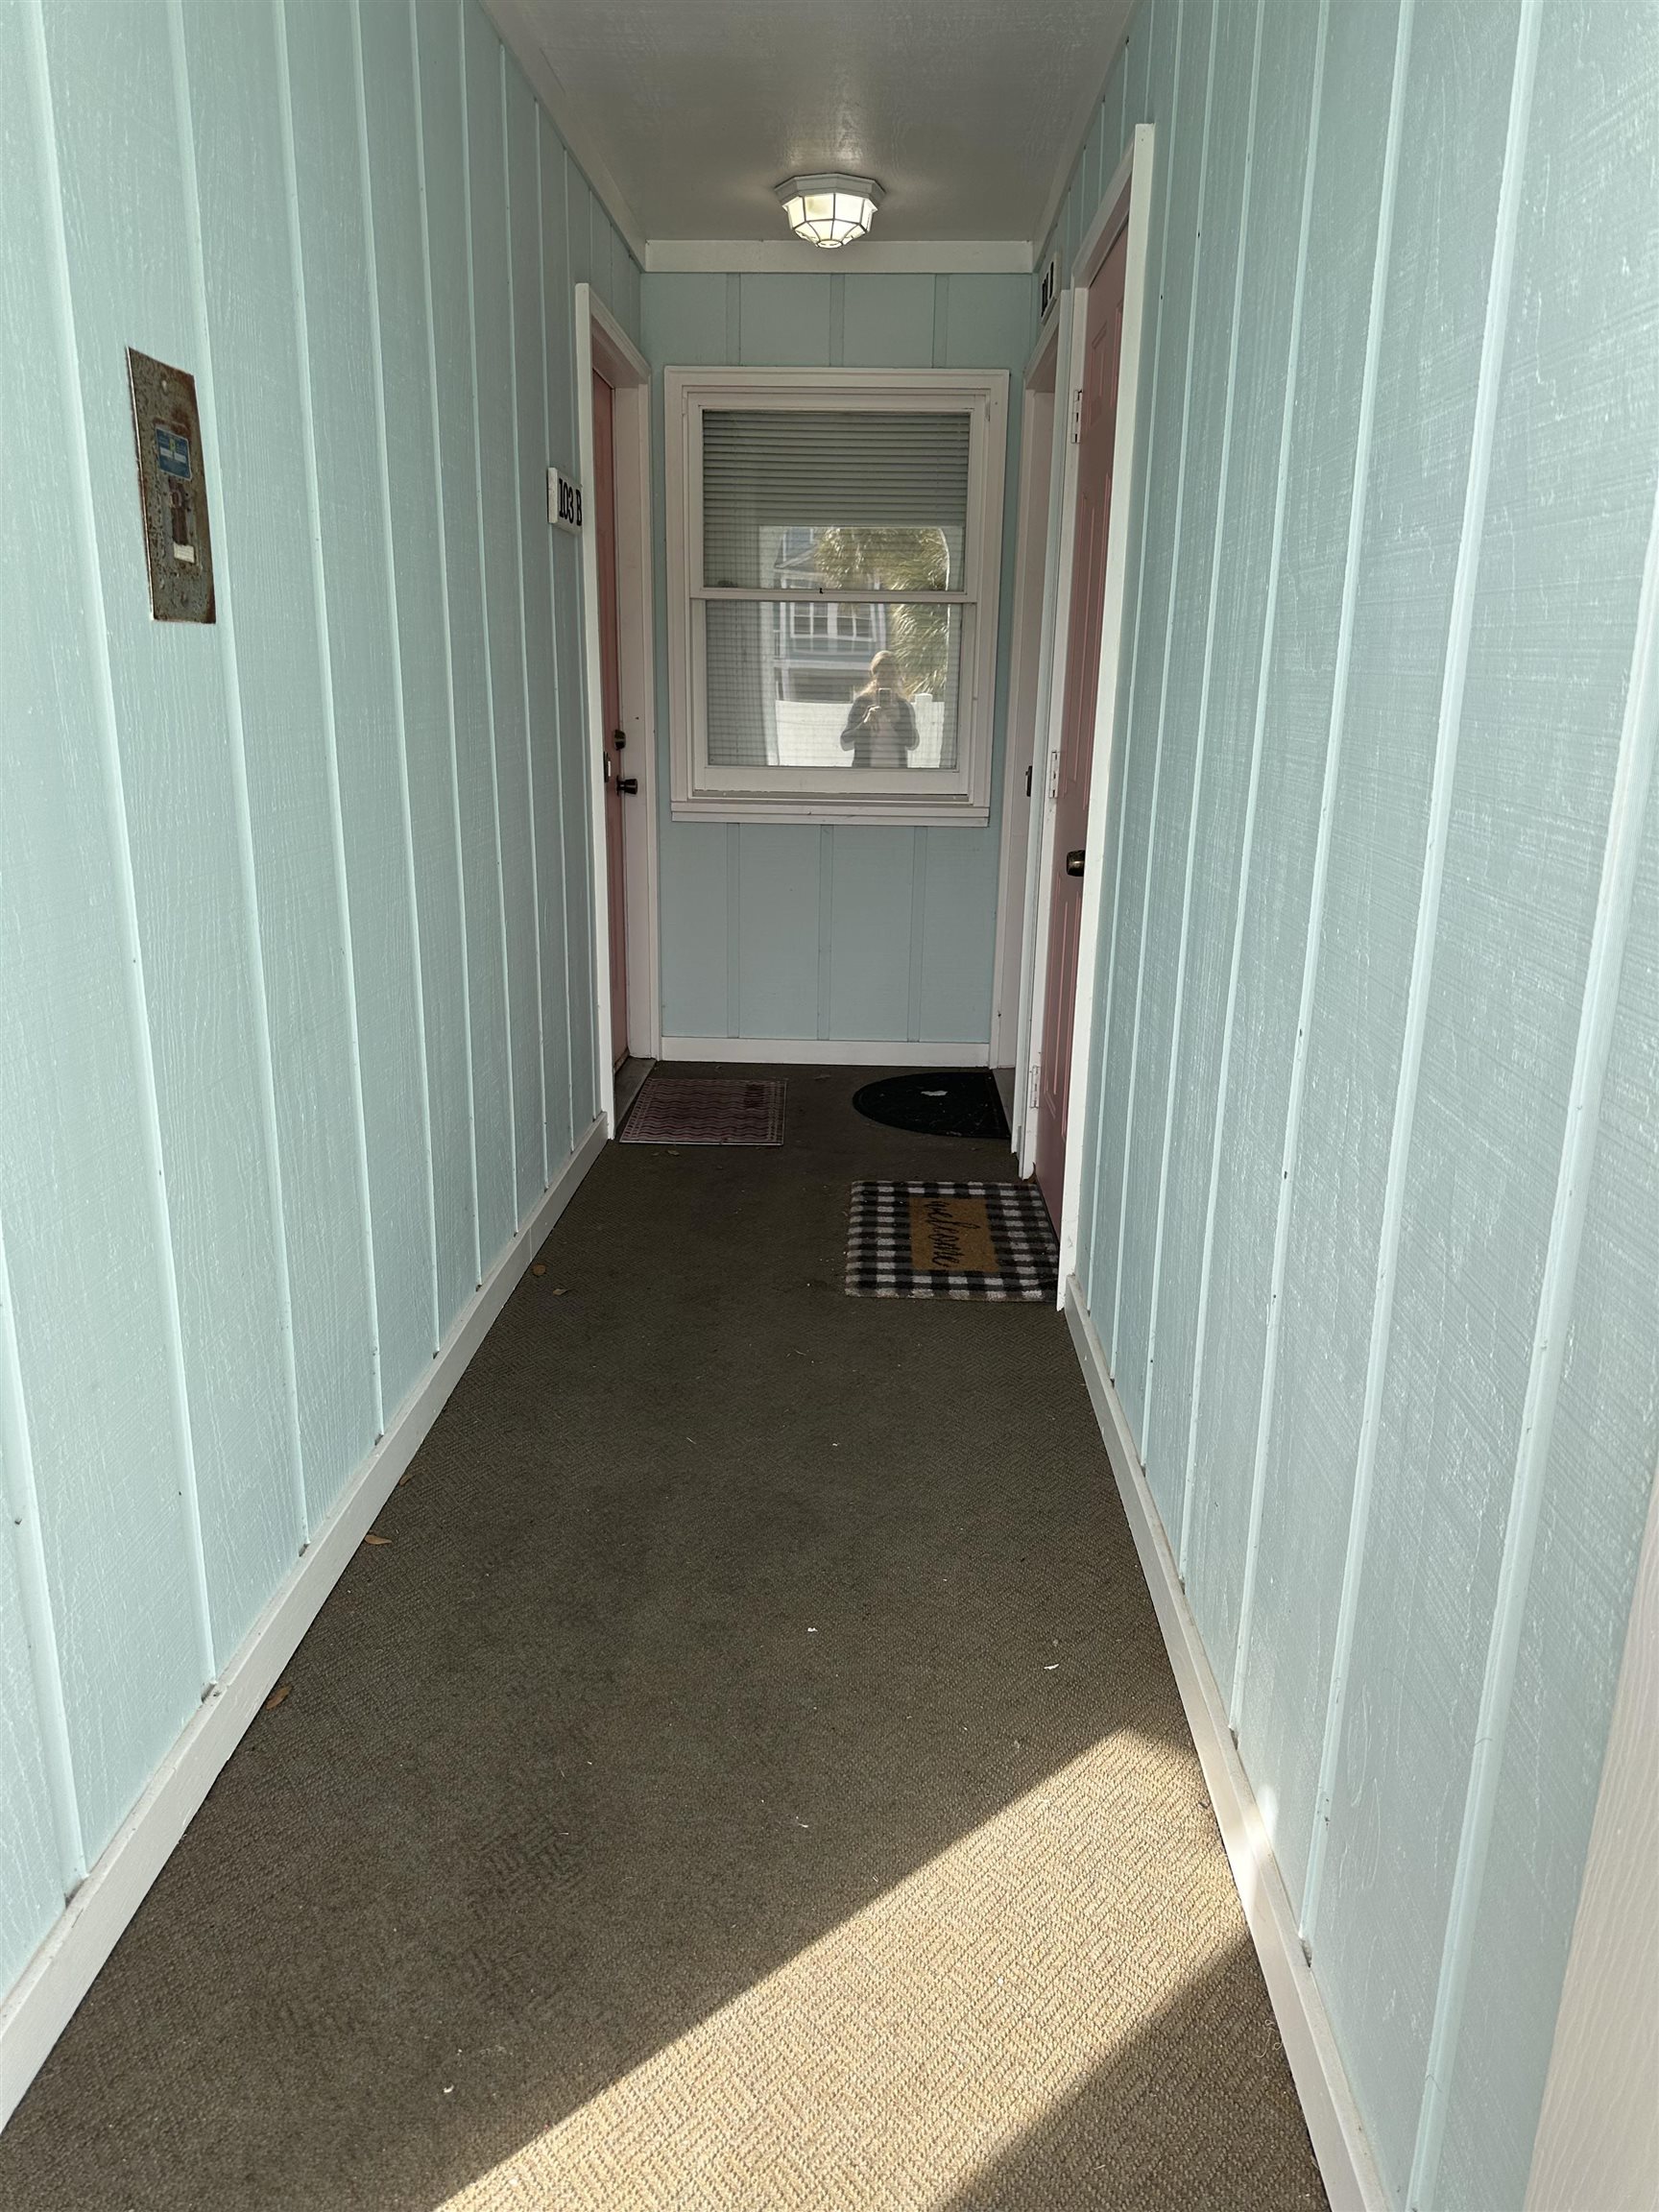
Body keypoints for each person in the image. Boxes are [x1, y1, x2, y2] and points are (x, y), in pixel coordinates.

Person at [839, 651, 921, 769]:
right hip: (865, 773)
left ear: (897, 675)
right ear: (874, 675)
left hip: (897, 774)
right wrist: (864, 724)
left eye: (891, 673)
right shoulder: (861, 704)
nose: (887, 678)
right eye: (882, 673)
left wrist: (898, 722)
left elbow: (912, 743)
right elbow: (845, 742)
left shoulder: (903, 706)